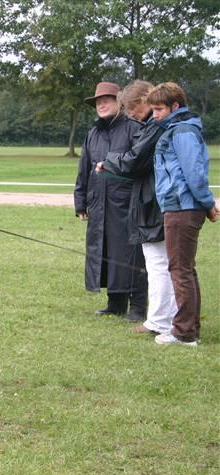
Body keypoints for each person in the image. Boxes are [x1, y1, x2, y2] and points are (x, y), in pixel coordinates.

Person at [96, 80, 176, 336]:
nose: (131, 114)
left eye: (133, 107)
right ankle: (164, 319)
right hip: (154, 199)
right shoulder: (155, 125)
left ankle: (161, 320)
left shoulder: (155, 127)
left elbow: (134, 161)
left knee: (158, 264)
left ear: (146, 99)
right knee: (161, 263)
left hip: (154, 201)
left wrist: (109, 161)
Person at [145, 82, 218, 346]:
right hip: (179, 207)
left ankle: (185, 333)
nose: (154, 115)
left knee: (179, 270)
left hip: (182, 208)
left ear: (175, 106)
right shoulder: (177, 129)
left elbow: (194, 174)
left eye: (159, 109)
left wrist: (207, 203)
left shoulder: (182, 131)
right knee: (185, 269)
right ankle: (188, 327)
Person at [74, 82, 148, 322]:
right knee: (104, 251)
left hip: (126, 204)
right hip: (98, 203)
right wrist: (80, 201)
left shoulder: (133, 128)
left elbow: (138, 162)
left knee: (131, 253)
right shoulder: (92, 134)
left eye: (107, 99)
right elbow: (84, 169)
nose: (102, 104)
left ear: (120, 102)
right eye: (98, 101)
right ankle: (115, 303)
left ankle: (137, 306)